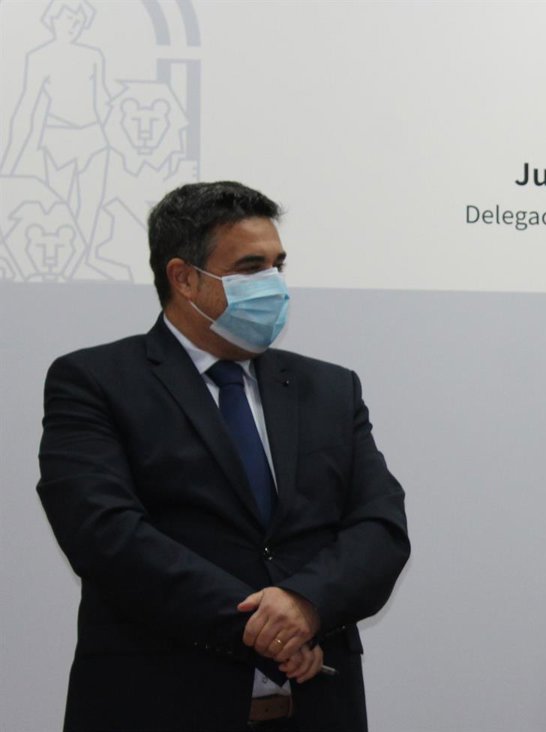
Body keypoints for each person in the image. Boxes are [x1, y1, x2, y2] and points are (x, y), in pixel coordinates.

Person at [37, 181, 411, 731]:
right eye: (250, 268)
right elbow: (106, 535)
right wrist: (265, 630)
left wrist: (307, 604)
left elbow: (380, 525)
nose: (274, 284)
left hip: (318, 708)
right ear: (184, 278)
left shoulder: (331, 388)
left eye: (279, 265)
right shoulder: (94, 381)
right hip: (157, 704)